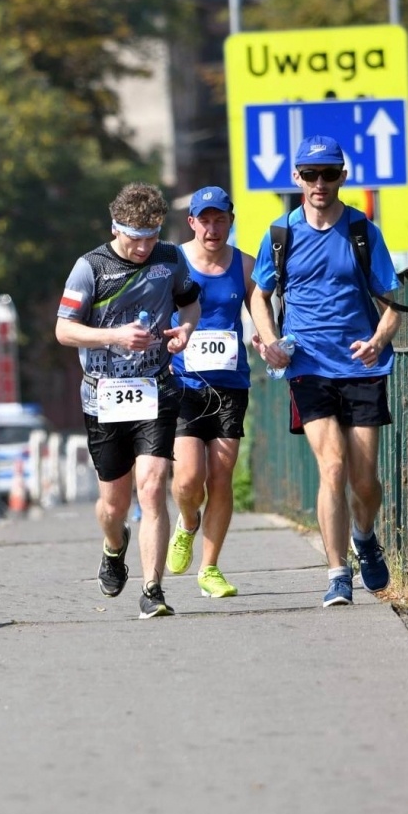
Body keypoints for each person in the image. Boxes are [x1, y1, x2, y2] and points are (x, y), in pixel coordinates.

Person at [247, 136, 404, 608]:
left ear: (342, 176)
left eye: (328, 174)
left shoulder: (362, 231)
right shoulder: (280, 234)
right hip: (308, 367)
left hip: (359, 366)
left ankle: (364, 534)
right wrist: (271, 340)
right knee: (332, 466)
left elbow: (392, 304)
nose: (319, 183)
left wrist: (378, 340)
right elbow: (258, 296)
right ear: (296, 177)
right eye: (310, 174)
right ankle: (338, 573)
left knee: (364, 479)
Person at [56, 182, 202, 618]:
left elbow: (190, 303)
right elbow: (64, 330)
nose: (143, 247)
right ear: (115, 228)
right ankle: (113, 547)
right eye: (134, 238)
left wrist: (186, 330)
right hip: (103, 395)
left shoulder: (170, 258)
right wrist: (114, 335)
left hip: (155, 387)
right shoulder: (90, 267)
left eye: (151, 237)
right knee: (114, 505)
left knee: (153, 485)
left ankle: (153, 590)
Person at [165, 186, 261, 599]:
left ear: (230, 221)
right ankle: (187, 523)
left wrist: (266, 339)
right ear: (192, 223)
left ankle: (210, 568)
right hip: (185, 383)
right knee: (189, 480)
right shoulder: (173, 263)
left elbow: (260, 311)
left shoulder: (245, 266)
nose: (212, 227)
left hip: (230, 383)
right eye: (204, 219)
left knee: (221, 477)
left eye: (219, 218)